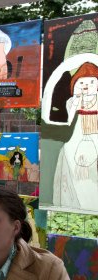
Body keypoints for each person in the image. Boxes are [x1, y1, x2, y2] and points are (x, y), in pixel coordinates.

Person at [53, 61, 98, 210]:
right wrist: (76, 103)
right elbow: (69, 120)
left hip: (95, 136)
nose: (86, 85)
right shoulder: (73, 101)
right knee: (73, 163)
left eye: (92, 82)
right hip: (78, 137)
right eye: (82, 82)